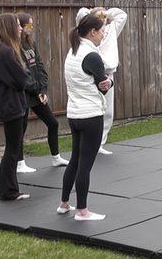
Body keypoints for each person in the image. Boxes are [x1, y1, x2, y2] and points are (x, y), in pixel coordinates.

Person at [58, 14, 113, 221]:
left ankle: (64, 203)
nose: (102, 36)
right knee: (85, 165)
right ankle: (82, 211)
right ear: (92, 32)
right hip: (90, 116)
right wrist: (110, 83)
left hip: (74, 114)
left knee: (75, 160)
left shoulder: (73, 51)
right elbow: (104, 87)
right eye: (102, 32)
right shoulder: (91, 56)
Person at [15, 13, 68, 173]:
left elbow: (39, 67)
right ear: (21, 26)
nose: (31, 28)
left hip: (37, 93)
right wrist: (36, 90)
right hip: (25, 93)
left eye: (32, 25)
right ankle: (19, 163)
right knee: (20, 130)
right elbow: (23, 74)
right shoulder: (15, 47)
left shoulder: (31, 44)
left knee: (53, 123)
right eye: (28, 25)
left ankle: (56, 157)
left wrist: (43, 90)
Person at [0, 13, 32, 201]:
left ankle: (1, 189)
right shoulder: (5, 52)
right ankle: (9, 191)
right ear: (8, 27)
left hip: (11, 105)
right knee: (13, 149)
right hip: (11, 106)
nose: (20, 28)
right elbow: (22, 79)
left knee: (12, 148)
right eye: (17, 25)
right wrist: (25, 73)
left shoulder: (3, 49)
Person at [75, 6, 127, 155]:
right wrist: (93, 13)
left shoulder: (111, 29)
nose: (102, 19)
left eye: (104, 16)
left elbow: (122, 15)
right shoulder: (89, 31)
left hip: (108, 73)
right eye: (100, 16)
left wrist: (106, 13)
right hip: (92, 72)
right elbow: (81, 14)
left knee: (108, 111)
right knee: (94, 109)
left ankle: (100, 143)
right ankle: (89, 143)